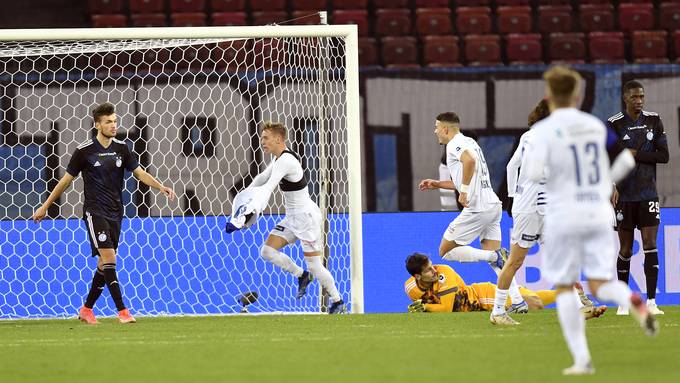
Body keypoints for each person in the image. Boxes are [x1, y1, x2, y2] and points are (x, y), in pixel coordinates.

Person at [525, 66, 657, 375]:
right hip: (598, 210)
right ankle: (632, 298)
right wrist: (604, 184)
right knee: (600, 284)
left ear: (548, 96)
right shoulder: (596, 125)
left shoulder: (541, 131)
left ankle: (582, 360)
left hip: (564, 213)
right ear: (578, 95)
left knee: (565, 286)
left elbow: (532, 173)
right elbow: (626, 158)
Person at [31, 102, 176, 324]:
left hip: (116, 213)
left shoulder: (121, 148)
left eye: (115, 121)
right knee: (110, 258)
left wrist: (160, 186)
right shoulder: (84, 151)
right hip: (94, 212)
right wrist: (45, 206)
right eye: (108, 121)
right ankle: (123, 312)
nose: (113, 125)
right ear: (97, 124)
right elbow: (65, 182)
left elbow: (139, 173)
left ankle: (86, 309)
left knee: (103, 264)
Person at [418, 112, 528, 311]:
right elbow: (467, 175)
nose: (435, 132)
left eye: (436, 127)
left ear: (445, 128)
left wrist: (465, 192)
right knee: (497, 262)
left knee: (445, 251)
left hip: (478, 208)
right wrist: (438, 184)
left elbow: (469, 162)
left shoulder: (454, 144)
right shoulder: (470, 142)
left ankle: (494, 256)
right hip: (493, 206)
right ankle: (518, 301)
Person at [248, 121, 345, 314]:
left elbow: (269, 186)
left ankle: (337, 300)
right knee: (267, 252)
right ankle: (301, 276)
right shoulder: (278, 159)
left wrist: (251, 208)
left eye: (265, 138)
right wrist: (245, 196)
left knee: (315, 266)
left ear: (278, 138)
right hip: (292, 219)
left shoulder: (286, 161)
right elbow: (262, 178)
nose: (262, 141)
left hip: (306, 219)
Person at [607, 80, 669, 316]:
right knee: (625, 248)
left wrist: (636, 153)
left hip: (647, 193)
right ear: (625, 98)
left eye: (641, 97)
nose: (639, 101)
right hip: (624, 194)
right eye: (634, 97)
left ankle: (652, 301)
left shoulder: (653, 120)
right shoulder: (614, 124)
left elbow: (663, 156)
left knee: (650, 245)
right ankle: (624, 302)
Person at [404, 253, 605, 319]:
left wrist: (426, 307)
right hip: (476, 307)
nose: (434, 271)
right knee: (533, 298)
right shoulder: (411, 288)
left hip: (483, 297)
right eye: (428, 270)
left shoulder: (444, 273)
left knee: (533, 302)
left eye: (432, 266)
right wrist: (424, 306)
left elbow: (446, 309)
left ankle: (571, 293)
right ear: (417, 276)